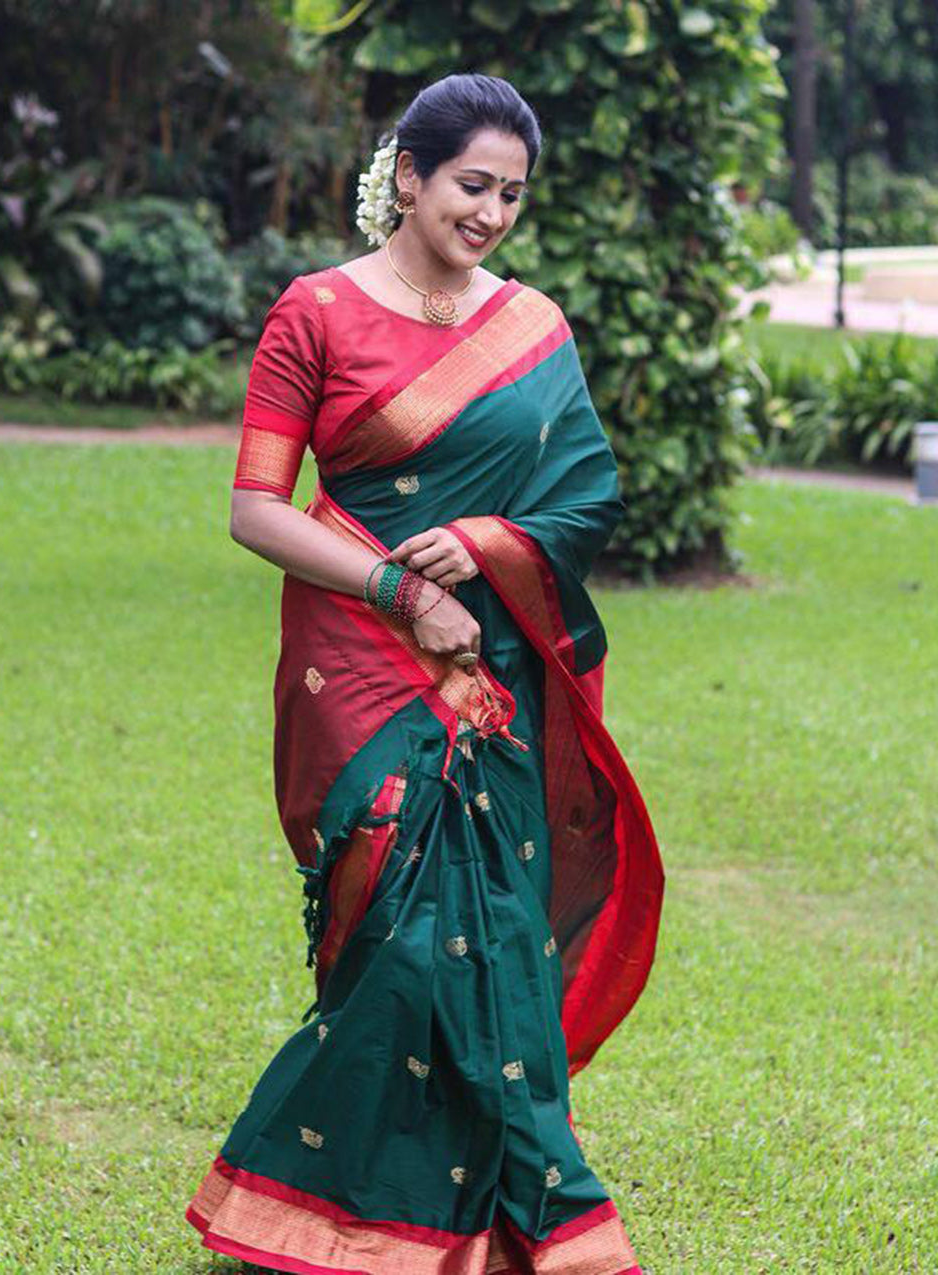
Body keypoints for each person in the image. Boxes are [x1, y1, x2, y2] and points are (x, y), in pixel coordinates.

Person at [186, 72, 664, 1275]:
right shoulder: (316, 312)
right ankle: (334, 1211)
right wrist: (402, 589)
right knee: (391, 915)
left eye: (512, 193)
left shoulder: (533, 325)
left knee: (486, 928)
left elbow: (588, 492)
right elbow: (254, 508)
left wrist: (491, 547)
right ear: (409, 175)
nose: (492, 212)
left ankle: (494, 1221)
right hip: (359, 650)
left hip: (492, 664)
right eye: (471, 184)